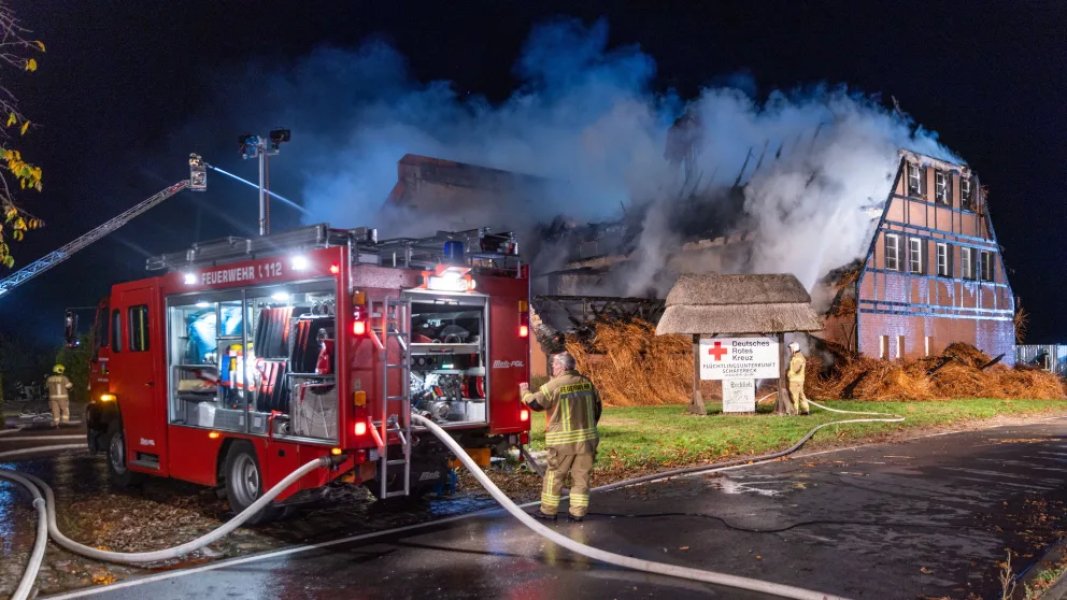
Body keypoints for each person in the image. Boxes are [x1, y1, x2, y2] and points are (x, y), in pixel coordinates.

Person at [520, 351, 602, 522]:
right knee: (581, 478)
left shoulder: (554, 385)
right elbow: (597, 407)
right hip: (587, 441)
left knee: (554, 477)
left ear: (563, 367)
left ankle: (548, 511)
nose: (553, 368)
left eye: (555, 365)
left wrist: (524, 392)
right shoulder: (587, 383)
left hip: (562, 443)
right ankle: (577, 513)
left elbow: (535, 403)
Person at [787, 342, 810, 415]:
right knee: (801, 396)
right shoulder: (798, 356)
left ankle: (794, 412)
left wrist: (789, 373)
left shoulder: (798, 358)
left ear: (794, 348)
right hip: (799, 380)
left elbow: (796, 369)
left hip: (795, 381)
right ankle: (805, 410)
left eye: (790, 348)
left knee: (794, 397)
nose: (790, 350)